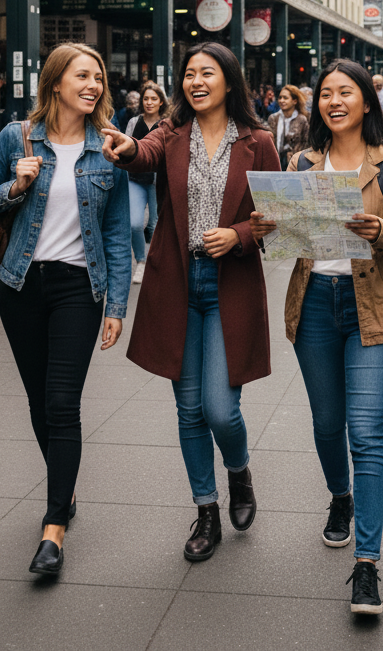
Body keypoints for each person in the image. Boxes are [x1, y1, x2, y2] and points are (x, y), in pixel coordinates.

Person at [250, 59, 383, 616]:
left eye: (346, 92)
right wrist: (270, 226)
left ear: (367, 102)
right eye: (326, 93)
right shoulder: (302, 160)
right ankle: (340, 499)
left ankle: (366, 565)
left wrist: (380, 231)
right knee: (328, 424)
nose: (334, 101)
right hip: (316, 302)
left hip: (374, 306)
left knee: (367, 433)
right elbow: (287, 236)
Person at [101, 42, 278, 563]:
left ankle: (239, 471)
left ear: (228, 80)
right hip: (178, 283)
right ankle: (206, 511)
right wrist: (127, 148)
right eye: (189, 75)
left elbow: (275, 217)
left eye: (207, 73)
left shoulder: (259, 141)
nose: (196, 82)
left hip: (230, 286)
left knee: (221, 411)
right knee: (188, 409)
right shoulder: (170, 134)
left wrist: (239, 235)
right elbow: (144, 155)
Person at [0, 43, 131, 578]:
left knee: (63, 403)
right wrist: (16, 186)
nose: (94, 85)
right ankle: (68, 485)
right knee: (40, 402)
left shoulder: (108, 149)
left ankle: (53, 528)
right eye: (84, 75)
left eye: (99, 77)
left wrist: (117, 306)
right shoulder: (17, 137)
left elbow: (115, 232)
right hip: (20, 285)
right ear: (56, 81)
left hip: (78, 289)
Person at [124, 81, 168, 284]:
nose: (149, 102)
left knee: (155, 225)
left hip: (159, 181)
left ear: (161, 102)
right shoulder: (134, 122)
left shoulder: (167, 123)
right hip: (136, 179)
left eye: (154, 99)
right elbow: (125, 149)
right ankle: (141, 262)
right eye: (146, 98)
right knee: (134, 223)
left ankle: (157, 264)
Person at [266, 84, 309, 168]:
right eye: (280, 97)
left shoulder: (301, 120)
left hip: (296, 165)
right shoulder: (273, 118)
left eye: (285, 98)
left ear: (294, 101)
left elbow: (307, 143)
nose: (282, 101)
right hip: (276, 163)